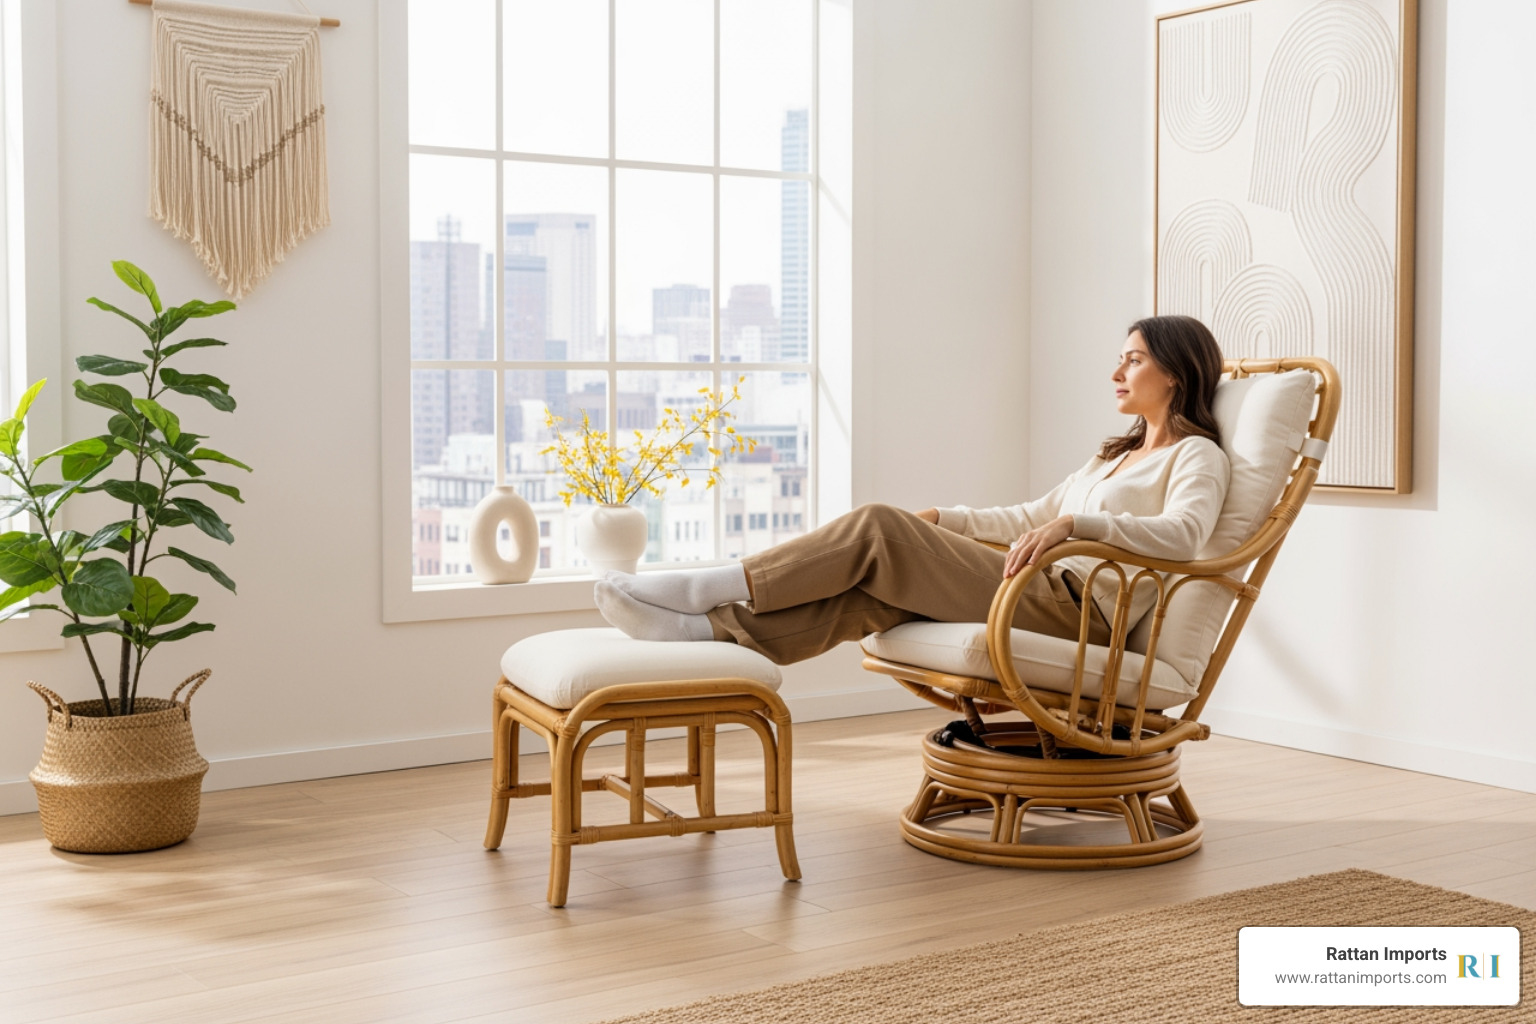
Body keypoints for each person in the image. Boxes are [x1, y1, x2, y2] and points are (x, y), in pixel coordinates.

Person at [594, 315, 1231, 666]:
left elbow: (1184, 537)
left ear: (1176, 374)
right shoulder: (1113, 456)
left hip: (1082, 610)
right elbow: (1030, 515)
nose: (1116, 371)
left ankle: (707, 584)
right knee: (874, 597)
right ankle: (707, 630)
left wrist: (1076, 528)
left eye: (1135, 359)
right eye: (1121, 357)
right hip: (1035, 583)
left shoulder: (1196, 455)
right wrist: (942, 520)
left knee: (877, 525)